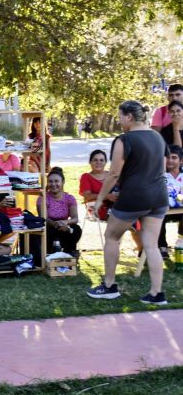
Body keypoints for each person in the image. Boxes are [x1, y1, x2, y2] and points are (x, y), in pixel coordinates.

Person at [88, 101, 168, 305]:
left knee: (112, 236)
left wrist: (99, 200)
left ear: (129, 117)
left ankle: (109, 286)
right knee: (151, 244)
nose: (119, 120)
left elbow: (114, 173)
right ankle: (156, 293)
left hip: (134, 196)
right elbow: (164, 166)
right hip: (159, 196)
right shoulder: (157, 137)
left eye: (120, 116)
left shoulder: (124, 139)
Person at [38, 168, 81, 257]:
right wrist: (56, 224)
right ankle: (49, 254)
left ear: (62, 182)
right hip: (49, 226)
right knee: (47, 230)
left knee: (76, 229)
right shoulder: (43, 198)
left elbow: (75, 218)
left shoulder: (70, 198)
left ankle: (69, 253)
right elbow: (44, 218)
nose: (53, 184)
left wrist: (66, 223)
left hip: (64, 225)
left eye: (56, 181)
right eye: (50, 181)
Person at [158, 144, 183, 258]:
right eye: (167, 157)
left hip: (181, 210)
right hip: (165, 210)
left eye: (174, 157)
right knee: (157, 214)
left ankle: (181, 242)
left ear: (181, 160)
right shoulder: (160, 175)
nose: (170, 160)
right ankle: (162, 246)